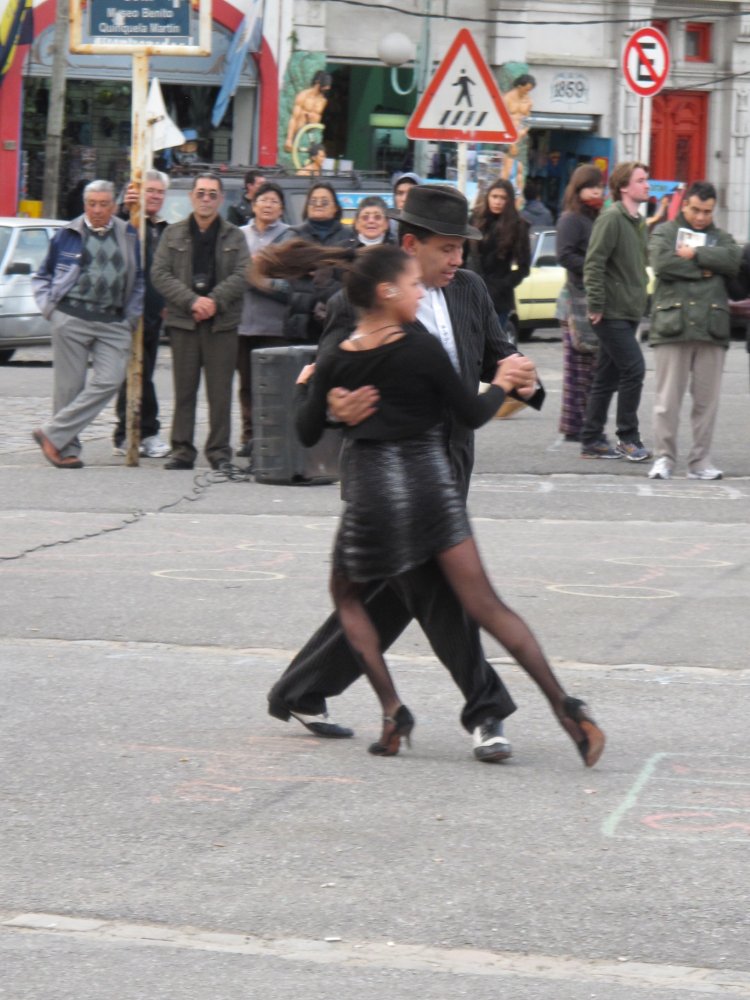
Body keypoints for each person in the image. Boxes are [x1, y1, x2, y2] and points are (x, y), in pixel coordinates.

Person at [257, 242, 604, 767]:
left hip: (403, 488)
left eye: (462, 248)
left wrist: (520, 379)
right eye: (446, 249)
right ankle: (511, 709)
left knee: (372, 599)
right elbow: (463, 408)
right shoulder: (394, 329)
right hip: (423, 487)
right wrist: (331, 403)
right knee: (457, 602)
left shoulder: (463, 293)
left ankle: (365, 704)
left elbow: (492, 353)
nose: (455, 260)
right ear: (408, 255)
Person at [31, 180, 143, 469]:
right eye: (92, 204)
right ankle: (66, 448)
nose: (97, 210)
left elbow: (138, 279)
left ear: (113, 206)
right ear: (85, 205)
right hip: (71, 317)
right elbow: (42, 275)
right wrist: (50, 310)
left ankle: (51, 434)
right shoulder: (67, 234)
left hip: (113, 320)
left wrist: (130, 318)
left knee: (110, 379)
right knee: (69, 388)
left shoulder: (128, 234)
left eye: (103, 204)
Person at [151, 173, 249, 472]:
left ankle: (219, 452)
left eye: (212, 194)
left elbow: (243, 273)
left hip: (222, 323)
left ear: (221, 199)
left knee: (220, 392)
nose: (206, 199)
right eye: (201, 193)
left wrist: (214, 301)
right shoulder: (173, 234)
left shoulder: (235, 235)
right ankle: (182, 450)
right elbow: (160, 273)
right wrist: (192, 301)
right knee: (184, 390)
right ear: (191, 197)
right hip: (184, 321)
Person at [647, 180, 741, 481]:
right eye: (696, 210)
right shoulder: (665, 232)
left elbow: (733, 260)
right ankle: (664, 458)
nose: (701, 217)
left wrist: (696, 254)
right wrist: (708, 270)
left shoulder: (722, 237)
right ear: (685, 204)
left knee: (706, 403)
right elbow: (662, 263)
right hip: (672, 326)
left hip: (712, 329)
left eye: (707, 212)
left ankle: (700, 462)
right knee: (667, 402)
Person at [580, 160, 651, 461]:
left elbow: (638, 266)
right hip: (610, 312)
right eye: (641, 180)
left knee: (606, 377)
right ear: (624, 186)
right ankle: (628, 438)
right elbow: (594, 263)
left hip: (629, 310)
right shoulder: (611, 218)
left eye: (646, 179)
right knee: (634, 368)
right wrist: (596, 304)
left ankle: (591, 439)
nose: (647, 185)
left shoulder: (638, 222)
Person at [113, 170, 171, 459]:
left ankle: (126, 432)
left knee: (140, 372)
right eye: (151, 191)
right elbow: (114, 234)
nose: (156, 196)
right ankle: (145, 431)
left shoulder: (163, 228)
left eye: (160, 192)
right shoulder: (130, 221)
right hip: (127, 311)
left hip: (154, 314)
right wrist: (126, 208)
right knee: (138, 372)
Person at [236, 182, 294, 460]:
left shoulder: (289, 237)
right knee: (247, 385)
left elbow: (291, 280)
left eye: (274, 201)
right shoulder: (239, 235)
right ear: (253, 204)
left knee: (274, 386)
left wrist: (259, 278)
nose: (268, 205)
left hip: (275, 325)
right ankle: (249, 437)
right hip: (243, 323)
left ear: (281, 208)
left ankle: (272, 437)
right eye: (263, 200)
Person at [555, 164, 605, 442]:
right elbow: (564, 255)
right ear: (578, 189)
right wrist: (593, 268)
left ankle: (585, 423)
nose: (596, 192)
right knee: (578, 369)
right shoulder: (571, 219)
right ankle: (575, 427)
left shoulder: (597, 217)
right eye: (590, 187)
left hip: (593, 296)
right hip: (575, 300)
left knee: (592, 368)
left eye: (599, 186)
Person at [465, 178, 530, 332]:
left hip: (499, 298)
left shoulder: (518, 226)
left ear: (509, 200)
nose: (498, 202)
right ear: (488, 197)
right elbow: (462, 253)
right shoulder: (475, 219)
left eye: (503, 198)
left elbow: (524, 267)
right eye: (494, 196)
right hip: (471, 292)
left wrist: (501, 285)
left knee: (492, 341)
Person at [284, 71, 332, 153]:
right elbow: (294, 118)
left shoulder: (323, 101)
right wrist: (289, 139)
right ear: (318, 82)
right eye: (324, 86)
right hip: (298, 133)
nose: (325, 90)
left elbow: (318, 117)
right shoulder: (303, 95)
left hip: (311, 134)